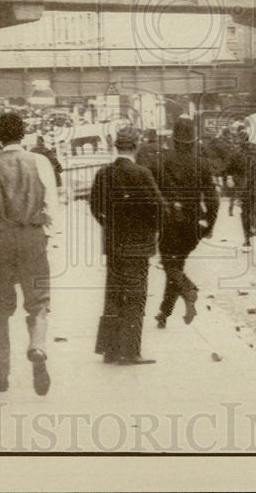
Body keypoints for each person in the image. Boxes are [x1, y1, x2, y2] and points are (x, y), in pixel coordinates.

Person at [0, 111, 59, 394]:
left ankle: (2, 371)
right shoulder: (41, 162)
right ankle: (38, 346)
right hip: (33, 238)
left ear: (0, 136)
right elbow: (52, 209)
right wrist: (43, 234)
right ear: (23, 135)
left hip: (2, 242)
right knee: (39, 301)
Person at [90, 126, 165, 364]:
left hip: (114, 244)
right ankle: (129, 350)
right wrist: (151, 229)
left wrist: (109, 225)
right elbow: (158, 207)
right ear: (136, 146)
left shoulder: (104, 173)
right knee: (135, 296)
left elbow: (94, 206)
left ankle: (109, 349)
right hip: (138, 246)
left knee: (113, 294)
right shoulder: (142, 173)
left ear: (116, 146)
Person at [152, 116, 219, 328]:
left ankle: (189, 290)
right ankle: (164, 312)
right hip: (193, 222)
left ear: (174, 140)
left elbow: (152, 196)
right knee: (176, 264)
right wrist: (210, 223)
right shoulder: (202, 164)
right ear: (193, 141)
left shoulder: (160, 162)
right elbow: (213, 198)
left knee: (170, 265)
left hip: (167, 221)